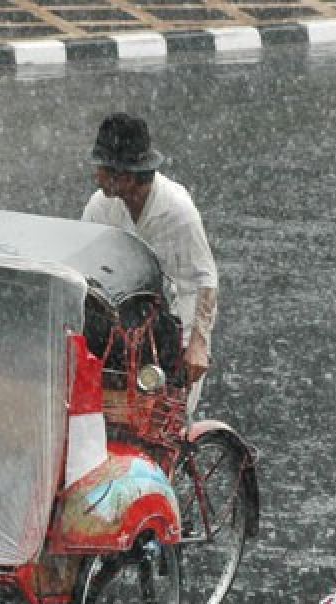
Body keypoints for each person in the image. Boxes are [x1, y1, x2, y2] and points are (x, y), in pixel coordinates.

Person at [80, 112, 218, 414]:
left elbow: (202, 281)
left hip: (172, 323)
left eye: (103, 170)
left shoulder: (178, 213)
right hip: (122, 320)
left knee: (167, 420)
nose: (97, 177)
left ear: (126, 178)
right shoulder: (100, 207)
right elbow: (83, 269)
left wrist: (197, 344)